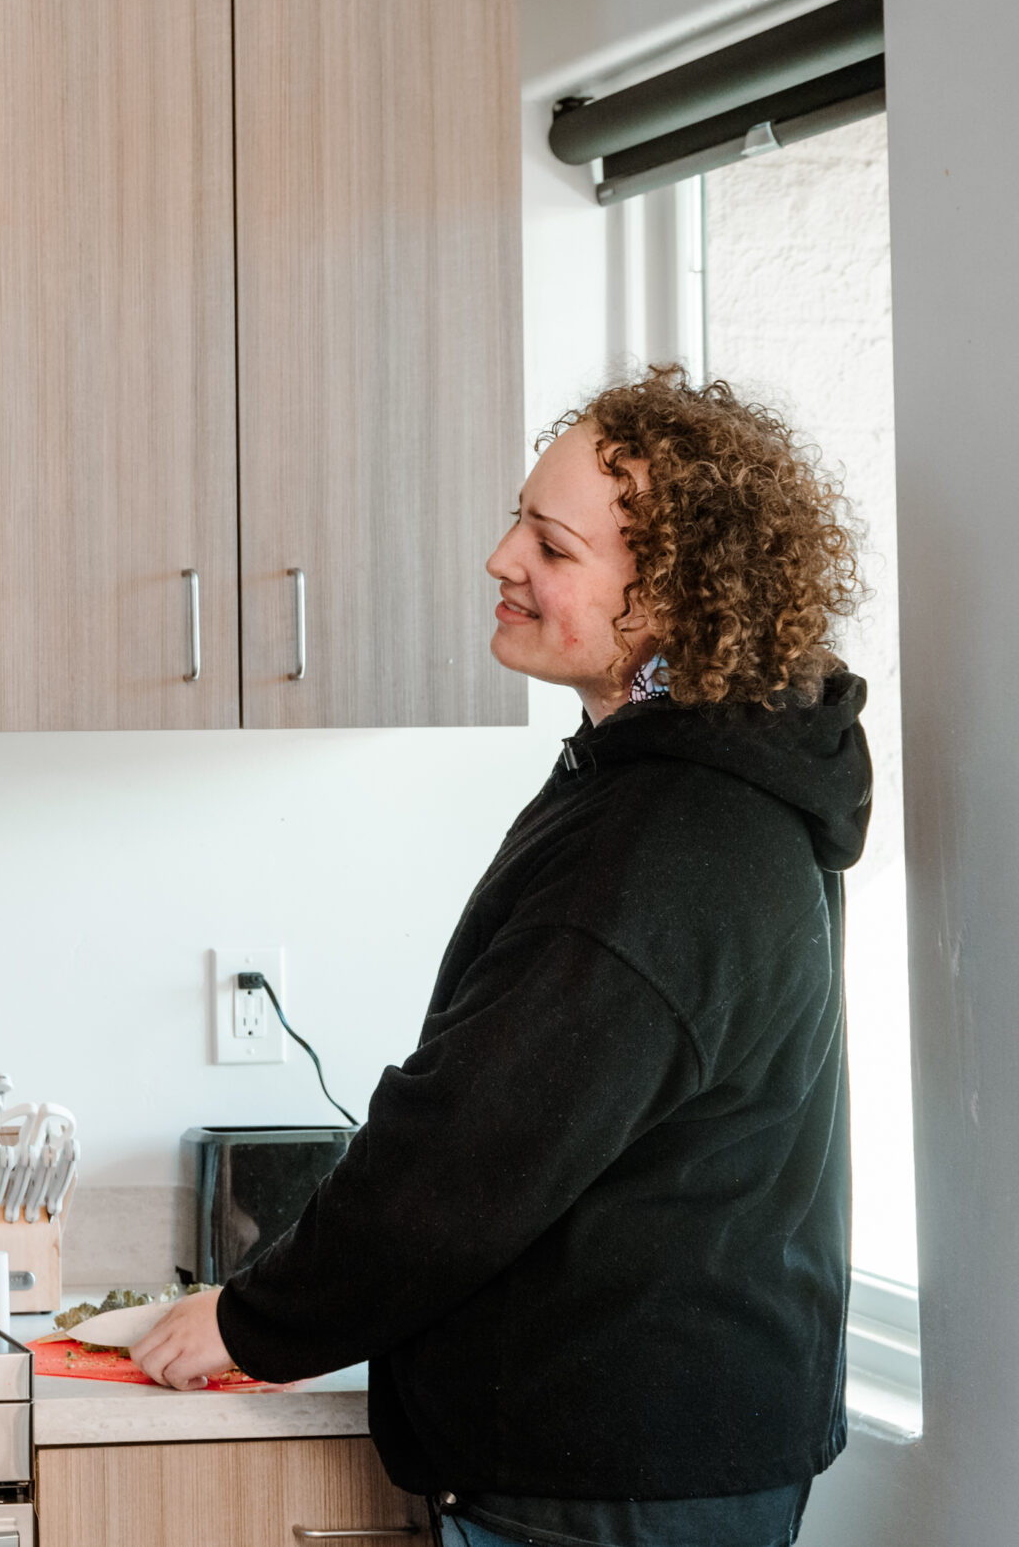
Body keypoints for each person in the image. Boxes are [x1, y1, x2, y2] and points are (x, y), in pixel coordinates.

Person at [131, 367, 869, 1547]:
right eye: (517, 518)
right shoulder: (680, 783)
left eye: (551, 544)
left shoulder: (666, 840)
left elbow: (467, 1150)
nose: (499, 559)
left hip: (613, 1473)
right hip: (649, 1449)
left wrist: (251, 1319)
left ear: (670, 596)